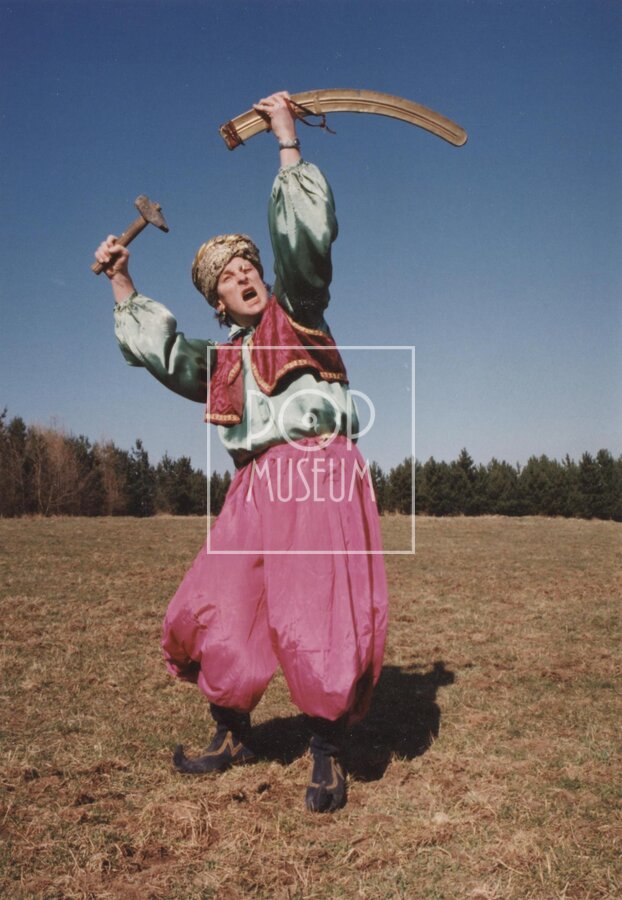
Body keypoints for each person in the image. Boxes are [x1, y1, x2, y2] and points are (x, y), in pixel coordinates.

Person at [94, 91, 388, 813]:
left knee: (315, 611)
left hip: (316, 470)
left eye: (249, 265)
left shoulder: (299, 312)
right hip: (254, 485)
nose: (245, 276)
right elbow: (165, 354)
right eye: (228, 277)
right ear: (217, 303)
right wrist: (122, 280)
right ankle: (232, 733)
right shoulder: (221, 360)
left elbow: (304, 249)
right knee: (220, 602)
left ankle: (327, 751)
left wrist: (287, 143)